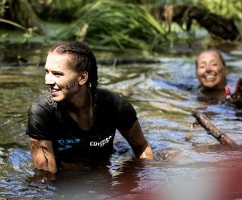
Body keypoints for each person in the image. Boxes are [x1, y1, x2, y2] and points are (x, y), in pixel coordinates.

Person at [27, 41, 154, 175]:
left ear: (82, 77)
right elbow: (46, 177)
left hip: (104, 169)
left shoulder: (115, 105)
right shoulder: (42, 112)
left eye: (57, 74)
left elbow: (141, 147)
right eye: (47, 72)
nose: (48, 81)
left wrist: (142, 180)